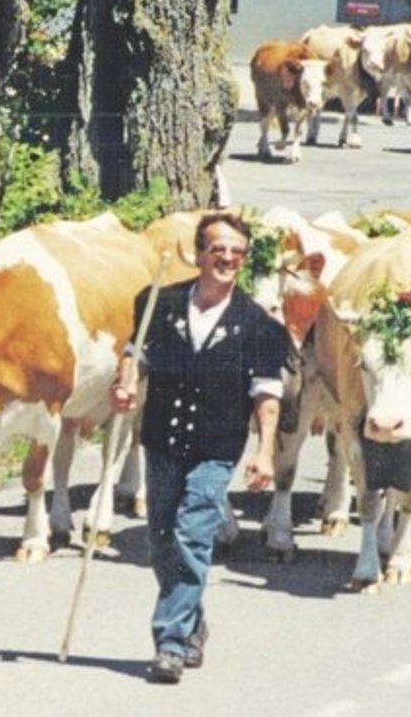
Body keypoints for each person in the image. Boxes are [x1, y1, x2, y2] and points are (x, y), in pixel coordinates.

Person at [110, 212, 288, 685]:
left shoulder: (259, 327)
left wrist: (265, 450)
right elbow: (135, 358)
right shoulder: (158, 304)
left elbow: (267, 397)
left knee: (192, 534)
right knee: (160, 540)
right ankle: (191, 620)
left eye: (236, 252)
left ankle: (169, 643)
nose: (227, 258)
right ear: (198, 252)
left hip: (217, 446)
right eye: (218, 249)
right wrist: (124, 385)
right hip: (162, 440)